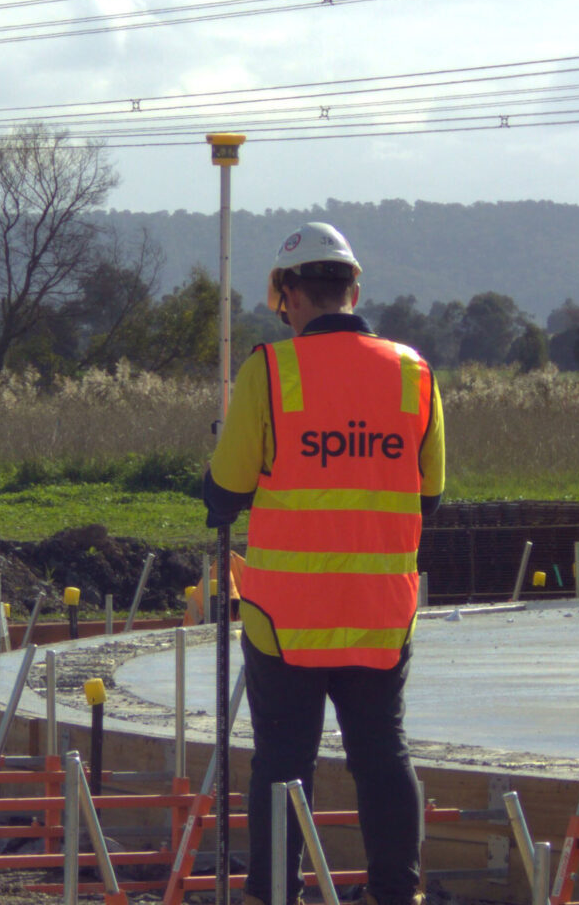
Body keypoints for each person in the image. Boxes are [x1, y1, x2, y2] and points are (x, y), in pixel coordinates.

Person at [202, 221, 445, 905]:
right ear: (353, 289)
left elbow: (226, 489)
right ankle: (398, 894)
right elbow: (433, 494)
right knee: (381, 755)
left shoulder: (268, 371)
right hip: (379, 616)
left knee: (282, 763)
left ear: (287, 294)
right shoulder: (414, 373)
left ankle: (277, 894)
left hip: (286, 619)